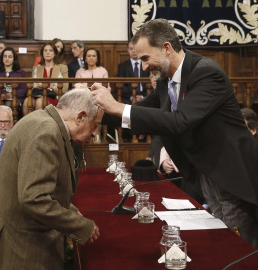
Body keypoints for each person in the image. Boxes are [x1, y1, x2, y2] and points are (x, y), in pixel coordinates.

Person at [92, 19, 258, 248]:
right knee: (222, 242)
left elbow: (181, 121)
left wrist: (117, 107)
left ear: (167, 48)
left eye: (145, 58)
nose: (143, 66)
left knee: (238, 247)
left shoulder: (207, 73)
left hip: (232, 176)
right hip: (206, 172)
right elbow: (142, 112)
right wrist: (97, 112)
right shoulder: (165, 81)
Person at [0, 88, 102, 269]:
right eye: (95, 125)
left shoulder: (42, 120)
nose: (95, 134)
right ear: (80, 117)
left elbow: (41, 183)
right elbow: (34, 199)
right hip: (24, 248)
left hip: (18, 236)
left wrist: (69, 209)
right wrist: (80, 226)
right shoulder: (47, 133)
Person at [23, 42, 68, 115]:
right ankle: (29, 125)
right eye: (45, 50)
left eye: (50, 51)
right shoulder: (37, 68)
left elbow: (65, 88)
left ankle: (41, 126)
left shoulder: (62, 67)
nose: (48, 53)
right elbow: (31, 86)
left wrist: (47, 88)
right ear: (42, 53)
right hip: (38, 94)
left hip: (54, 96)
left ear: (55, 53)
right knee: (27, 101)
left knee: (40, 102)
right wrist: (37, 86)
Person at [117, 41, 150, 142]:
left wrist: (143, 96)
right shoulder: (123, 66)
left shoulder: (147, 64)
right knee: (127, 107)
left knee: (148, 106)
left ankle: (143, 133)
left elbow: (151, 84)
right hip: (128, 97)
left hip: (146, 96)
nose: (133, 51)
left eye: (135, 48)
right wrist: (133, 96)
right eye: (131, 49)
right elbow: (121, 86)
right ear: (127, 50)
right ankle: (130, 135)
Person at [0, 47, 27, 116]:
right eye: (5, 56)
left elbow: (23, 89)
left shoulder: (21, 73)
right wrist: (0, 95)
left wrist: (12, 94)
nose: (7, 59)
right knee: (0, 103)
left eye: (10, 57)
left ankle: (8, 126)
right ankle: (1, 125)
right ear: (2, 58)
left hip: (15, 98)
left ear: (14, 59)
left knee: (9, 104)